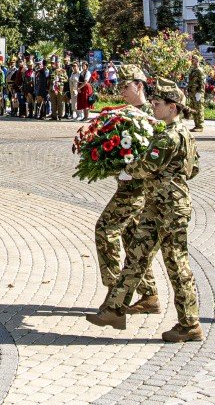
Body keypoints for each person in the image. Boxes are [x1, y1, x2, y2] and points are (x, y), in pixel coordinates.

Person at [86, 81, 203, 342]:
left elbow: (144, 167)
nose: (154, 106)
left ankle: (190, 324)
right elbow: (193, 170)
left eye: (159, 104)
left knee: (176, 264)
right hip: (155, 205)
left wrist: (128, 169)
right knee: (137, 254)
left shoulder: (170, 135)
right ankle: (115, 309)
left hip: (171, 209)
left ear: (173, 108)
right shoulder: (185, 133)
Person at [91, 65, 160, 316]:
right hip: (129, 184)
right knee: (132, 238)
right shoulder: (128, 113)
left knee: (106, 229)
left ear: (139, 86)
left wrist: (133, 168)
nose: (121, 91)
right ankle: (149, 294)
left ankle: (114, 292)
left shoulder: (153, 114)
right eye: (119, 86)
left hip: (138, 189)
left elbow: (157, 153)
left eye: (125, 86)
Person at [184, 54, 207, 133]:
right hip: (193, 92)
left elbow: (202, 82)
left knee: (199, 108)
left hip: (198, 92)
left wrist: (200, 92)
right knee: (194, 108)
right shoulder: (193, 70)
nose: (191, 61)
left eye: (193, 60)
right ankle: (196, 125)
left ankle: (200, 126)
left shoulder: (199, 70)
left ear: (197, 61)